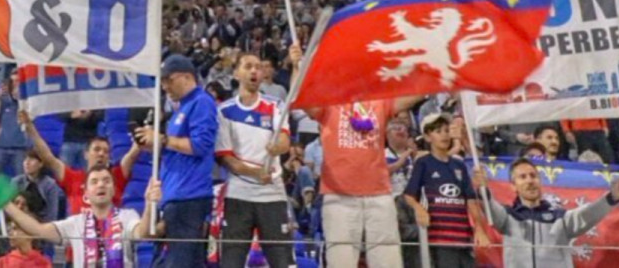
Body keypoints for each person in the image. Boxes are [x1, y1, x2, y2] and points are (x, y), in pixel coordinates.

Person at [303, 89, 423, 267]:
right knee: (341, 261)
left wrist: (440, 75)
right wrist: (298, 71)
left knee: (388, 260)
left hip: (379, 194)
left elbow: (413, 95)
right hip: (339, 195)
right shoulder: (329, 102)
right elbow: (302, 97)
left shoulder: (379, 101)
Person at [135, 54, 218, 268]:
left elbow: (201, 145)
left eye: (168, 80)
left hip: (189, 196)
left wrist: (162, 139)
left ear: (186, 77)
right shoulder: (181, 108)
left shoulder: (201, 102)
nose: (164, 87)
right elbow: (178, 148)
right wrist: (155, 145)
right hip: (176, 195)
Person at [215, 51, 294, 267]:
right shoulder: (225, 111)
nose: (254, 71)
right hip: (238, 194)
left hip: (272, 194)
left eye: (258, 67)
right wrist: (256, 173)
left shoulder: (276, 105)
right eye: (248, 66)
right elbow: (226, 158)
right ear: (236, 73)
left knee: (282, 261)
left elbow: (285, 140)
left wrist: (277, 147)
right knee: (231, 261)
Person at [481, 157, 619, 268]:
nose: (530, 180)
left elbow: (585, 215)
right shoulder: (507, 217)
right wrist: (482, 188)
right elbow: (490, 208)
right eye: (522, 177)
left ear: (540, 181)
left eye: (533, 176)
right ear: (513, 186)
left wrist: (613, 197)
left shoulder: (559, 217)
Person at [3, 164, 160, 268]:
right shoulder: (76, 223)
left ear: (113, 189)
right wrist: (5, 205)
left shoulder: (128, 216)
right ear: (86, 192)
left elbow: (142, 232)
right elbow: (38, 230)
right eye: (94, 182)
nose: (101, 185)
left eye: (106, 181)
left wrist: (149, 204)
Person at [405, 114, 489, 268]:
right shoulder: (423, 163)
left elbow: (470, 200)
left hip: (464, 238)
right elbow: (409, 195)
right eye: (438, 131)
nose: (444, 135)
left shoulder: (459, 165)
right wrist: (419, 209)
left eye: (446, 130)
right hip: (439, 239)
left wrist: (479, 229)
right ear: (427, 137)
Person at [21, 112, 140, 213]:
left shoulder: (116, 177)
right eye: (97, 149)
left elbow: (132, 155)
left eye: (106, 151)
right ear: (86, 154)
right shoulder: (73, 177)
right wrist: (30, 128)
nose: (101, 154)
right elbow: (48, 158)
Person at [0, 195, 52, 268]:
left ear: (31, 234)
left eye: (15, 229)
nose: (10, 233)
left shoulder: (43, 262)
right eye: (10, 229)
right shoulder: (2, 262)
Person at [0, 71, 30, 177]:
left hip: (20, 146)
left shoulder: (29, 100)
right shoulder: (3, 100)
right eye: (12, 81)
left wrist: (20, 99)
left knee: (21, 177)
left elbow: (30, 116)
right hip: (1, 145)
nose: (14, 84)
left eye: (17, 81)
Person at [12, 149, 60, 224]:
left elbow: (52, 214)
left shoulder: (50, 184)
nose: (27, 163)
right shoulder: (16, 182)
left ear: (41, 164)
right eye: (25, 159)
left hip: (42, 224)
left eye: (31, 159)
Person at [385, 119, 415, 197]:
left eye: (404, 129)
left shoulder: (414, 155)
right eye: (396, 128)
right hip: (390, 198)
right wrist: (400, 162)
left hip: (412, 199)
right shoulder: (381, 155)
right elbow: (379, 175)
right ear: (387, 134)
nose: (401, 131)